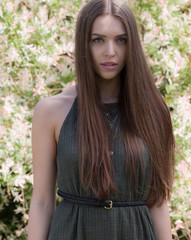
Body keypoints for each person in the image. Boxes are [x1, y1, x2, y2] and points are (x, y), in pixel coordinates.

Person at [28, 0, 175, 239]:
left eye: (121, 40)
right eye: (98, 40)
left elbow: (158, 202)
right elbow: (43, 202)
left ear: (132, 45)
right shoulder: (51, 111)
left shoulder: (153, 111)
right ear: (83, 44)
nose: (110, 52)